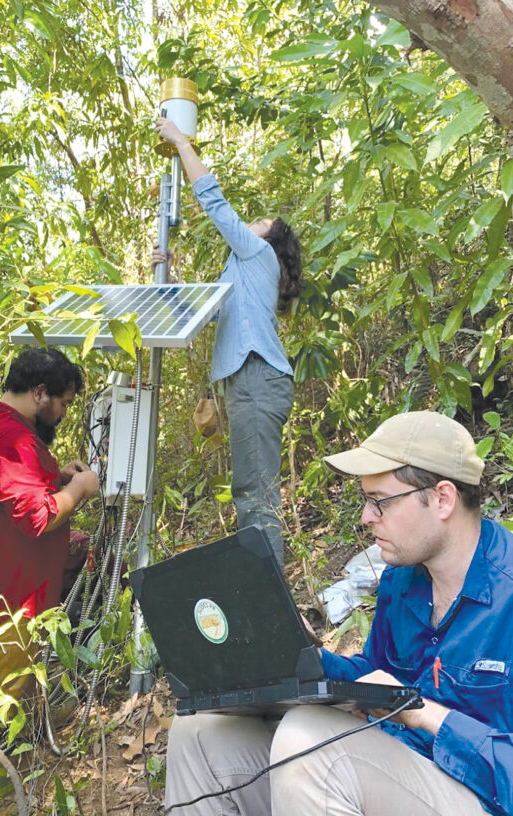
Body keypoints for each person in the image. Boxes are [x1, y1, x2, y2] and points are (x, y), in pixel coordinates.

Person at [161, 411, 513, 816]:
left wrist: (431, 718)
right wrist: (295, 655)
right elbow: (382, 676)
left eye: (380, 502)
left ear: (441, 499)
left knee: (309, 739)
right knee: (200, 734)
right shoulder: (403, 581)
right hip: (405, 789)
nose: (365, 517)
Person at [0, 347, 99, 816]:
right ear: (39, 394)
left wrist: (55, 477)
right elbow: (37, 516)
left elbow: (16, 493)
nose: (62, 412)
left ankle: (31, 740)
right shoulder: (5, 440)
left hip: (10, 590)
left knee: (5, 686)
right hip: (2, 599)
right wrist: (76, 492)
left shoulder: (3, 427)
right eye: (61, 403)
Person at [153, 117, 301, 570]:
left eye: (259, 222)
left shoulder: (258, 255)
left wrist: (181, 142)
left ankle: (269, 602)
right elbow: (203, 316)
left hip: (258, 379)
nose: (250, 223)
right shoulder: (240, 274)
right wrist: (171, 275)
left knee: (255, 492)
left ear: (270, 242)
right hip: (249, 382)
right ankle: (264, 591)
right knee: (250, 490)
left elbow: (215, 204)